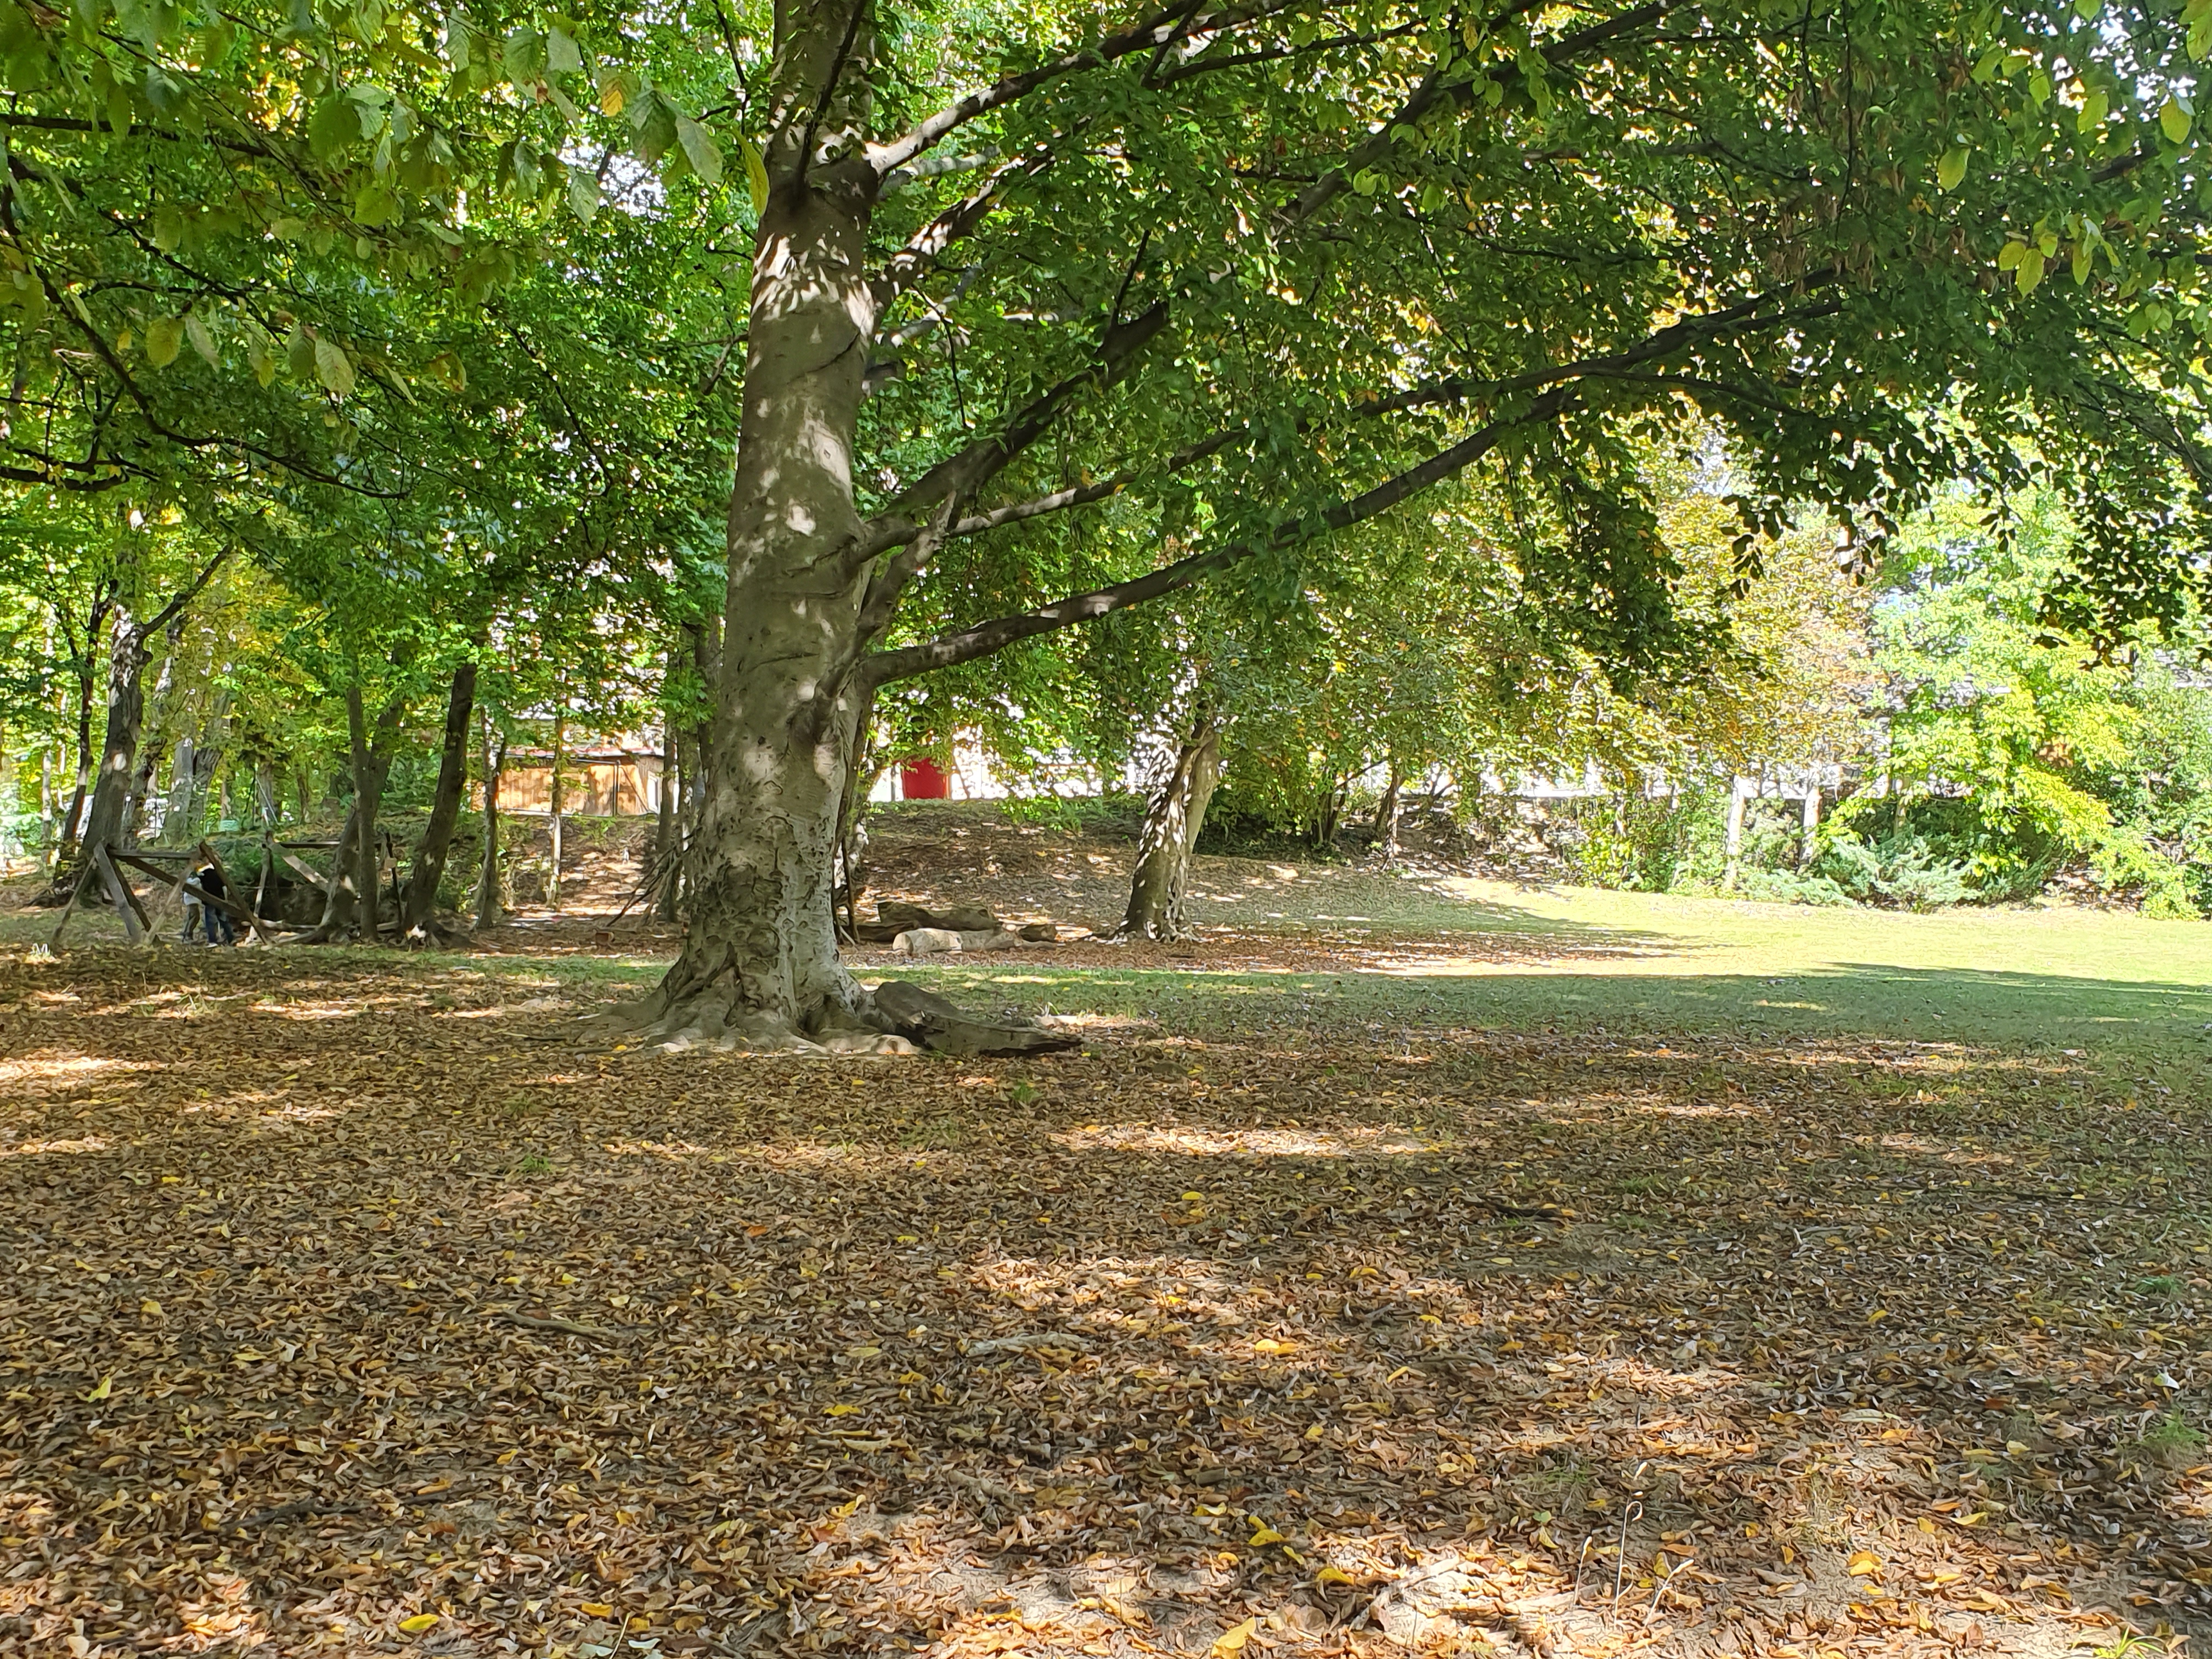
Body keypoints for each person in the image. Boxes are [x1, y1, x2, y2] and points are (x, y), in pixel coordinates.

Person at [194, 861, 235, 945]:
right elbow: (224, 888)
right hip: (220, 901)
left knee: (210, 922)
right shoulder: (218, 875)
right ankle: (231, 938)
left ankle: (212, 941)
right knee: (223, 920)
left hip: (209, 902)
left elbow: (200, 887)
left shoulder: (203, 876)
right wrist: (225, 899)